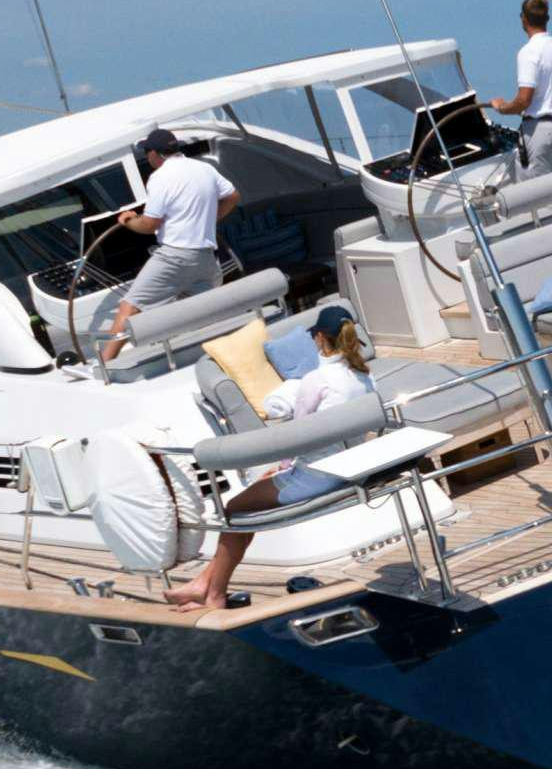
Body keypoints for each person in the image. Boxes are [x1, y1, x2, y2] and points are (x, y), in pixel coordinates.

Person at [167, 305, 376, 612]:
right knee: (252, 501)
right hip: (350, 469)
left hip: (316, 477)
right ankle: (204, 584)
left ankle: (214, 594)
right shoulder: (365, 378)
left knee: (235, 507)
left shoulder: (316, 380)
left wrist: (282, 467)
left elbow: (297, 436)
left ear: (319, 339)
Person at [98, 127, 239, 363]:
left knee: (129, 307)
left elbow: (149, 224)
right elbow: (232, 196)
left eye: (147, 153)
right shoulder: (204, 168)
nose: (147, 157)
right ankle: (225, 357)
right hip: (206, 259)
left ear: (155, 154)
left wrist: (128, 220)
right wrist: (208, 219)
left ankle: (104, 365)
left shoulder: (160, 177)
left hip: (175, 257)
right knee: (203, 316)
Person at [483, 0, 552, 178]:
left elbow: (524, 100)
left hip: (539, 133)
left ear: (523, 19)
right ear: (547, 18)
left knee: (533, 192)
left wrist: (501, 107)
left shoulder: (529, 51)